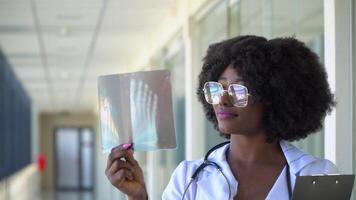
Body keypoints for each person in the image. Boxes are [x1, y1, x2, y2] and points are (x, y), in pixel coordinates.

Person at [105, 35, 338, 200]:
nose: (222, 100)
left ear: (273, 96)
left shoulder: (318, 175)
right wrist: (138, 197)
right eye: (218, 88)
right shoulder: (188, 177)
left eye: (239, 89)